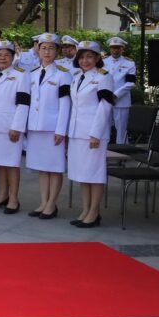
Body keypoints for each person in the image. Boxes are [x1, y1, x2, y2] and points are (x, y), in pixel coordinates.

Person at [68, 40, 115, 228]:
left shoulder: (104, 77)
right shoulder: (77, 76)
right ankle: (85, 209)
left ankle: (94, 212)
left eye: (89, 57)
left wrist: (95, 134)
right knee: (83, 173)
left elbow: (105, 106)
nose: (85, 61)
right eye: (81, 57)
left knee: (94, 173)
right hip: (77, 131)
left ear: (97, 58)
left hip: (93, 133)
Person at [25, 33, 72, 220]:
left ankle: (52, 204)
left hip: (53, 128)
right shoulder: (32, 73)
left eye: (51, 48)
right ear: (38, 50)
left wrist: (61, 130)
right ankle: (43, 202)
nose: (46, 52)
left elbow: (65, 104)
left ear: (57, 51)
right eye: (43, 48)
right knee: (42, 167)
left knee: (54, 166)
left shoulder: (63, 74)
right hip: (35, 127)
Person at [0, 40, 30, 214]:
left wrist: (17, 127)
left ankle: (14, 198)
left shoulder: (21, 75)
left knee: (12, 163)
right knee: (0, 163)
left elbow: (23, 103)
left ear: (13, 57)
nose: (2, 58)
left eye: (6, 55)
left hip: (10, 126)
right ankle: (2, 195)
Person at [103, 37, 136, 143]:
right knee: (104, 128)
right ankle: (104, 149)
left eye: (118, 48)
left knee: (121, 130)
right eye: (113, 48)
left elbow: (130, 83)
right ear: (110, 48)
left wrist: (115, 95)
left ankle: (122, 150)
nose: (115, 50)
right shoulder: (103, 62)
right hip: (105, 99)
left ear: (122, 49)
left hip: (121, 101)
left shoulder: (129, 63)